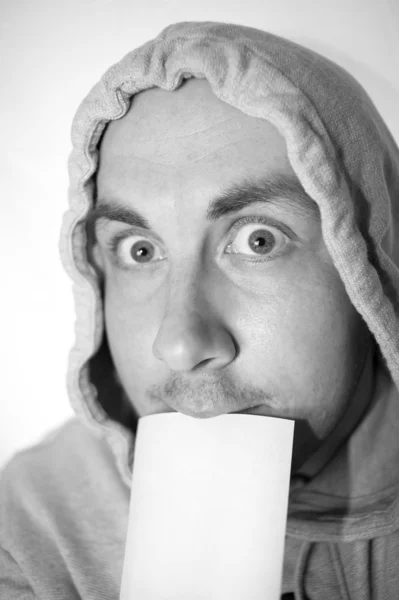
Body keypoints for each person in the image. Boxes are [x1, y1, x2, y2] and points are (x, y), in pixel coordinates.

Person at [1, 20, 398, 600]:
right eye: (140, 250)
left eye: (259, 240)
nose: (182, 344)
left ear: (370, 268)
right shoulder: (29, 533)